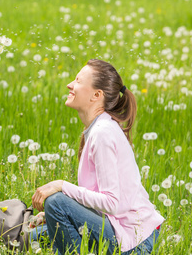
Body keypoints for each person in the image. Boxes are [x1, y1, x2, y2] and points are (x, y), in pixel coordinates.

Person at [31, 59, 164, 254]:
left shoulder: (102, 133)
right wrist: (70, 211)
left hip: (133, 241)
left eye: (77, 81)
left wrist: (62, 186)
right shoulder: (99, 128)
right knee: (32, 235)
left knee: (56, 202)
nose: (70, 85)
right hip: (121, 228)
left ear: (96, 95)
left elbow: (112, 202)